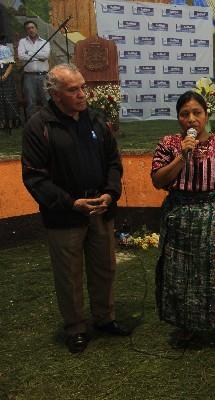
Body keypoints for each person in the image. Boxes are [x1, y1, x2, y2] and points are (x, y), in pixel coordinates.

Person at [21, 64, 127, 354]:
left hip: (101, 209)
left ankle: (105, 319)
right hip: (65, 215)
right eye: (74, 89)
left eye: (83, 87)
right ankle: (76, 328)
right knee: (68, 274)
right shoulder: (38, 126)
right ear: (56, 95)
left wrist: (110, 193)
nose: (83, 94)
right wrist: (71, 203)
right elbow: (34, 177)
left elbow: (114, 163)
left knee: (105, 267)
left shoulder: (96, 120)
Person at [151, 91, 215, 350]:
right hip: (180, 218)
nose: (191, 119)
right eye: (185, 114)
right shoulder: (169, 145)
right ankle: (185, 324)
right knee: (181, 272)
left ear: (206, 115)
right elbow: (159, 181)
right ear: (178, 118)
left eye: (197, 113)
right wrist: (182, 156)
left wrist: (213, 195)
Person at [17, 20, 50, 119]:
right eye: (28, 28)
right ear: (26, 31)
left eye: (32, 27)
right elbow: (21, 56)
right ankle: (33, 125)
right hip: (29, 77)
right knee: (31, 102)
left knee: (46, 101)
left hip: (44, 76)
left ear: (36, 29)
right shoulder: (22, 42)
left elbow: (45, 56)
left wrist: (29, 53)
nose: (31, 30)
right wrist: (37, 56)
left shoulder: (45, 42)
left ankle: (48, 123)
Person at [0, 35, 20, 129]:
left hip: (6, 76)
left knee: (9, 98)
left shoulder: (5, 49)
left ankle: (11, 121)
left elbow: (11, 64)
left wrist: (5, 75)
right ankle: (2, 121)